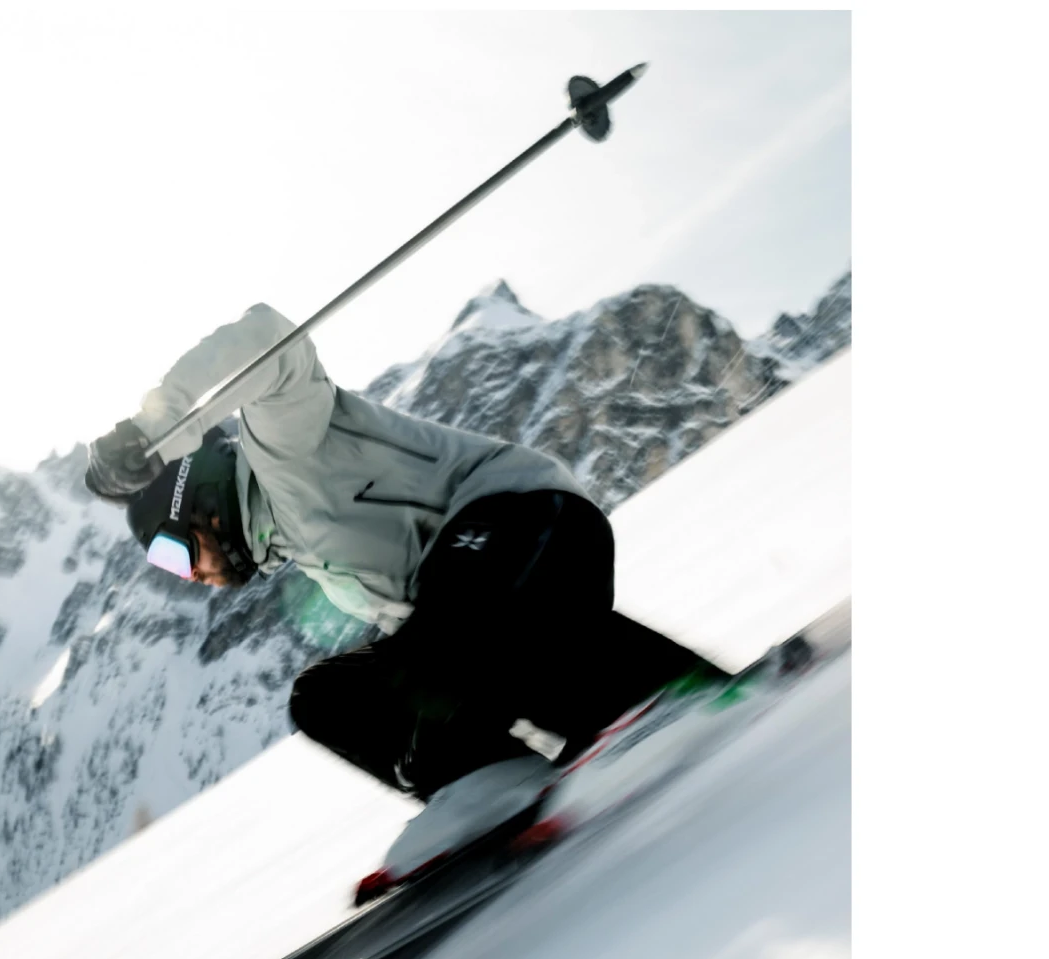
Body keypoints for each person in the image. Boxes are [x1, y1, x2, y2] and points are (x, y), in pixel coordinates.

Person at [84, 303, 719, 803]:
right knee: (325, 696)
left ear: (202, 505)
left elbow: (268, 337)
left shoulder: (283, 447)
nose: (191, 578)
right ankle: (504, 785)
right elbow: (443, 660)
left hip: (529, 524)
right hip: (499, 604)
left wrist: (155, 429)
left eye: (175, 555)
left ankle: (616, 716)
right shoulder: (313, 559)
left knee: (436, 641)